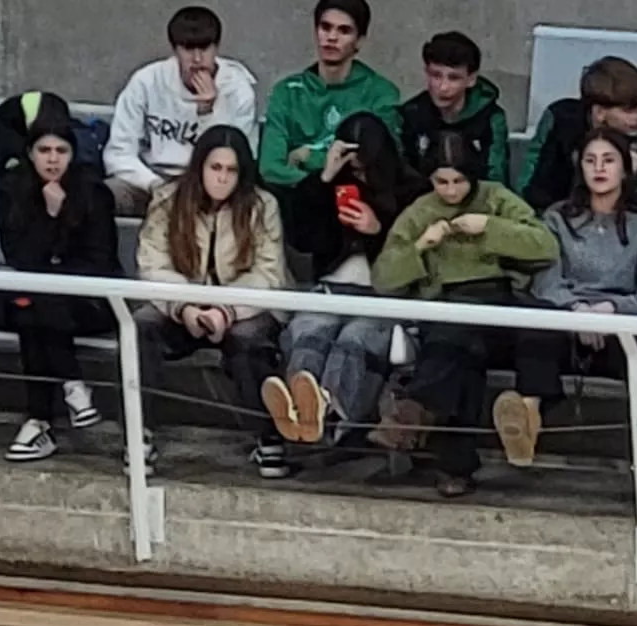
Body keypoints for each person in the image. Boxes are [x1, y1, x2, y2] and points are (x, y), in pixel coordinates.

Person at [372, 133, 558, 496]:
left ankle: (421, 415)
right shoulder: (420, 211)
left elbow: (545, 246)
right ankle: (453, 466)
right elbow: (383, 279)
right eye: (442, 182)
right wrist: (421, 246)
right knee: (457, 349)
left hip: (500, 296)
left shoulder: (497, 198)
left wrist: (491, 228)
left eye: (459, 181)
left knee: (544, 323)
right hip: (448, 303)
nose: (451, 190)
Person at [494, 129, 637, 467]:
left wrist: (609, 310)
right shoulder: (556, 219)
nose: (599, 169)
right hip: (564, 318)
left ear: (624, 168)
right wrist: (577, 312)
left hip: (619, 329)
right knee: (534, 323)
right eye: (590, 161)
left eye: (608, 160)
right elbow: (546, 283)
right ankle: (527, 417)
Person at [133, 124, 291, 475]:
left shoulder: (263, 205)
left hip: (244, 307)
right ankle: (138, 433)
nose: (222, 178)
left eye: (231, 170)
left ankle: (269, 439)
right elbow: (152, 262)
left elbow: (269, 274)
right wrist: (184, 306)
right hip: (180, 303)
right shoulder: (168, 199)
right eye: (215, 168)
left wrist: (226, 310)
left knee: (249, 339)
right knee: (141, 327)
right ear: (200, 166)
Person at [270, 112, 421, 446]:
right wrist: (323, 178)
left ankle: (330, 414)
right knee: (309, 330)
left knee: (355, 339)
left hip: (383, 295)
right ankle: (297, 411)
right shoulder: (327, 186)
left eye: (365, 168)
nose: (359, 175)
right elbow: (301, 239)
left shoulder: (411, 191)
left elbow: (415, 259)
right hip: (331, 287)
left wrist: (377, 230)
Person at [0, 99, 120, 462]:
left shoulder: (94, 193)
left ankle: (39, 421)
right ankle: (72, 388)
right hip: (38, 298)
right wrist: (50, 216)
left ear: (72, 153)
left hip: (90, 301)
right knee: (31, 305)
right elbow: (19, 258)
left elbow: (100, 261)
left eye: (61, 150)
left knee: (34, 304)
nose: (53, 159)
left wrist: (64, 215)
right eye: (44, 150)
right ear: (30, 153)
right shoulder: (11, 192)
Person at [103, 6, 260, 217]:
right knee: (99, 197)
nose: (197, 59)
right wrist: (156, 185)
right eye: (188, 49)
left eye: (204, 49)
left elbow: (241, 160)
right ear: (175, 50)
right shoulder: (146, 81)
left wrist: (207, 112)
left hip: (210, 188)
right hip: (151, 181)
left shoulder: (238, 90)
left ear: (217, 48)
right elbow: (118, 153)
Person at [258, 0, 402, 203]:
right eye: (325, 27)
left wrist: (307, 156)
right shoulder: (286, 93)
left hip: (358, 205)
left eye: (344, 31)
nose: (332, 37)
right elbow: (270, 168)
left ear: (359, 41)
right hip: (297, 204)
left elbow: (379, 164)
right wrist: (322, 180)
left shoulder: (381, 93)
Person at [519, 57, 637, 215]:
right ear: (599, 113)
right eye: (629, 110)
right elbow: (530, 186)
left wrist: (630, 178)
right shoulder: (561, 122)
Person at [397, 32, 509, 185]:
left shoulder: (490, 117)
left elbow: (495, 176)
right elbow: (403, 172)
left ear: (471, 79)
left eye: (454, 78)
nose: (443, 87)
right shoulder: (411, 114)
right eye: (436, 75)